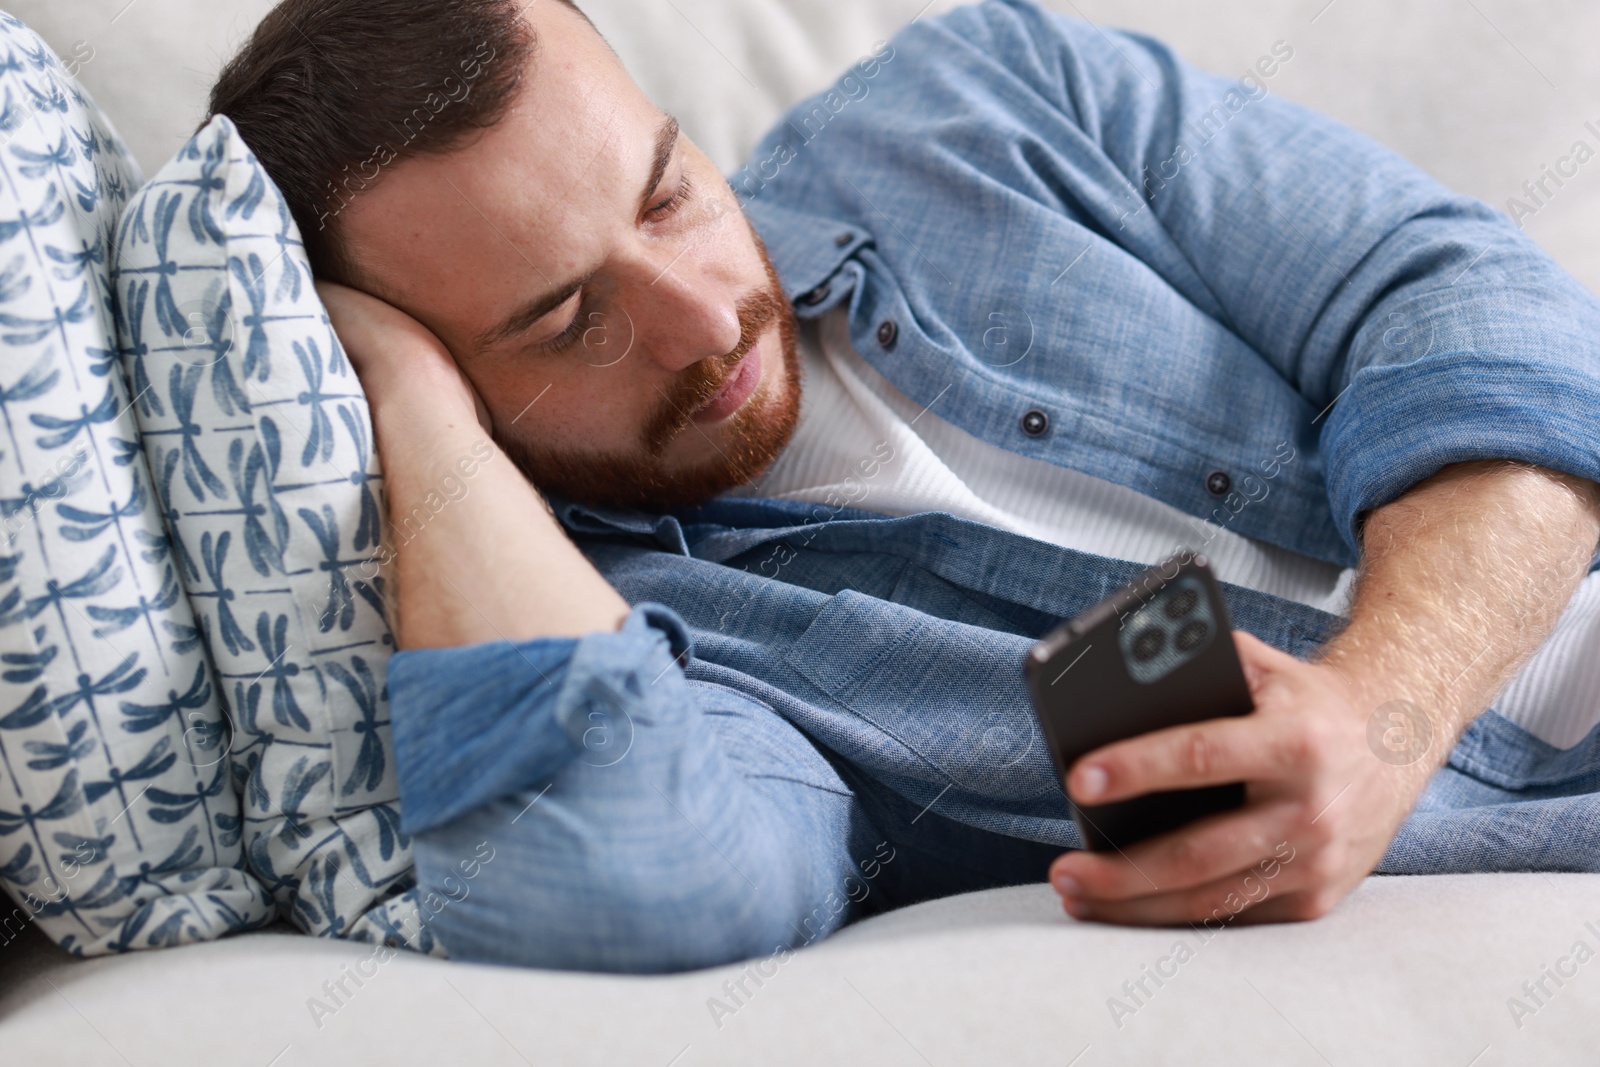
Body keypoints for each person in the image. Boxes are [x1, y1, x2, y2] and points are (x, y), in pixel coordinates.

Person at [208, 0, 1600, 973]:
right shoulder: (685, 649)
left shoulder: (982, 95)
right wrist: (408, 413)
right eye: (568, 320)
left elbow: (1467, 300)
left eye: (667, 191)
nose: (701, 322)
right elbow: (636, 876)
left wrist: (1389, 706)